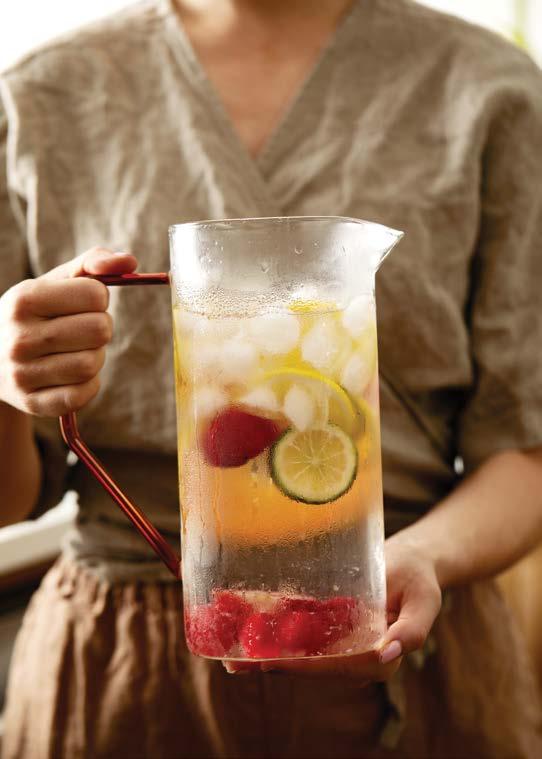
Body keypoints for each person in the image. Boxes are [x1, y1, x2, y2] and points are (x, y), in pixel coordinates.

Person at [1, 0, 542, 756]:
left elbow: (526, 445)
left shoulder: (493, 87)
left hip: (410, 633)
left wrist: (418, 558)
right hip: (122, 674)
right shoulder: (35, 95)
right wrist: (7, 379)